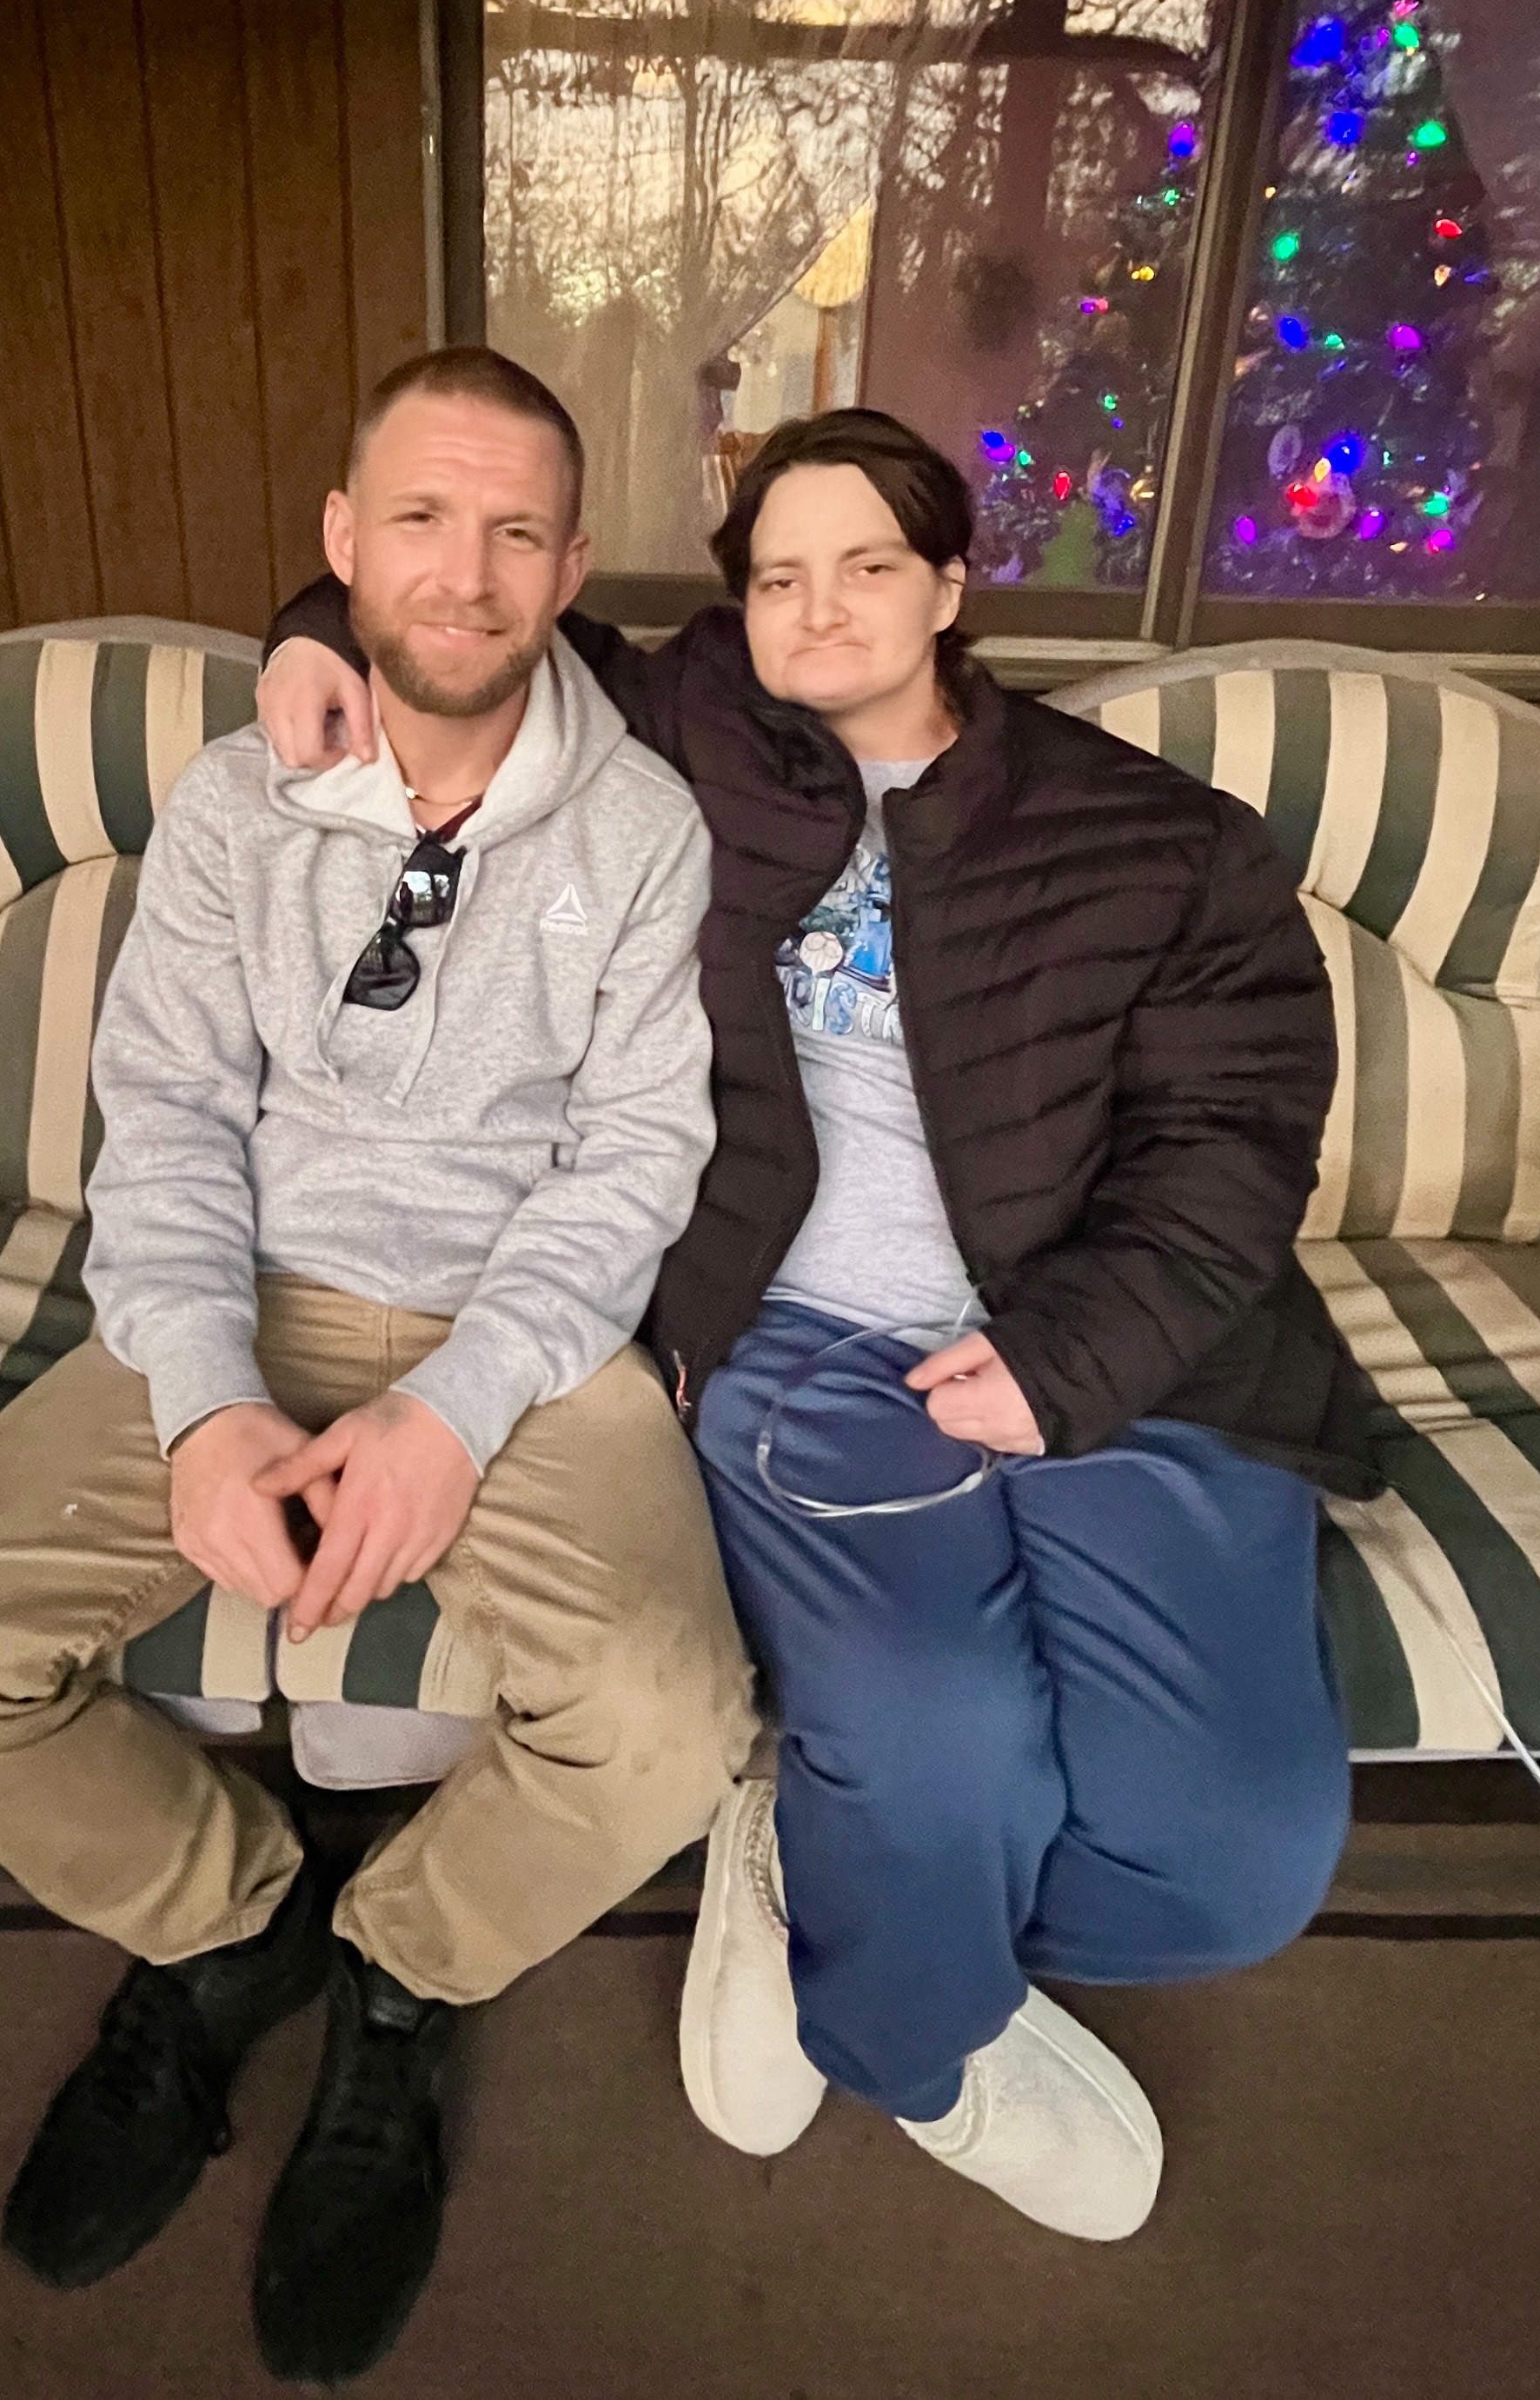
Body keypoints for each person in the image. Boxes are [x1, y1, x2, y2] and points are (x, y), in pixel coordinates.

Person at [259, 402, 1377, 2244]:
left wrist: (1064, 1361)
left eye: (867, 565)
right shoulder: (682, 726)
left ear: (948, 585)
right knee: (939, 1734)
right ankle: (914, 2044)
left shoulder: (1158, 840)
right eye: (777, 577)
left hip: (1128, 1348)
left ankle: (822, 1869)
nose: (820, 608)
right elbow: (466, 615)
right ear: (737, 610)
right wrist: (315, 625)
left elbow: (1234, 1138)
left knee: (1230, 1857)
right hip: (803, 1343)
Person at [0, 345, 756, 2384]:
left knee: (667, 1726)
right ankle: (232, 1925)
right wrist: (213, 1399)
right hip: (240, 1289)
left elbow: (629, 1165)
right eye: (421, 518)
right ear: (340, 541)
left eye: (515, 530)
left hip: (523, 1335)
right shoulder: (237, 803)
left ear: (573, 562)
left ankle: (400, 1974)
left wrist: (453, 1411)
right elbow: (161, 1120)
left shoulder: (644, 826)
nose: (466, 571)